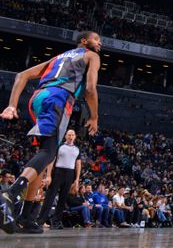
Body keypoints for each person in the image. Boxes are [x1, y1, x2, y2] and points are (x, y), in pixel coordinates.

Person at [0, 31, 102, 234]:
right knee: (49, 153)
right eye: (97, 39)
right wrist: (94, 117)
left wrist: (12, 105)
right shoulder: (91, 56)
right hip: (59, 97)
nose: (100, 44)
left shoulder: (57, 58)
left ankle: (26, 217)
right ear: (84, 41)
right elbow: (90, 88)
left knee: (45, 156)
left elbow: (22, 76)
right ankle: (11, 193)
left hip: (37, 99)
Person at [38, 128, 82, 229]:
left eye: (72, 135)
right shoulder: (60, 146)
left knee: (62, 199)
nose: (71, 137)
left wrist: (77, 180)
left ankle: (56, 222)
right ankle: (40, 221)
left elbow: (78, 164)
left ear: (75, 137)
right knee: (50, 197)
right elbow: (52, 160)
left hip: (70, 174)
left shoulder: (77, 149)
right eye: (69, 135)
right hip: (58, 172)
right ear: (65, 136)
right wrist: (48, 175)